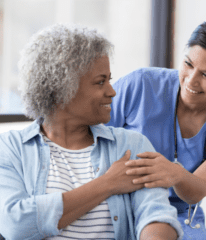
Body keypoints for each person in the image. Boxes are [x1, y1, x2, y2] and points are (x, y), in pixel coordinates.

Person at [0, 23, 183, 240]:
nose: (112, 91)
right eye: (100, 82)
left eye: (109, 79)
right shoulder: (11, 148)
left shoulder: (131, 146)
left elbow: (157, 214)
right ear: (62, 91)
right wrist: (108, 184)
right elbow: (15, 225)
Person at [106, 16, 206, 239]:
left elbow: (199, 189)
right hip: (115, 202)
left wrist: (176, 175)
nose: (191, 81)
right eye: (188, 64)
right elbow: (89, 137)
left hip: (179, 217)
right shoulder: (141, 85)